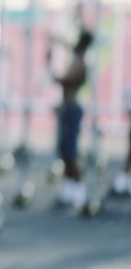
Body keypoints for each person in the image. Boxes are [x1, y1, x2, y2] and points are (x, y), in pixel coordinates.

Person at [48, 28, 93, 208]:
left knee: (71, 151)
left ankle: (79, 190)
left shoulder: (80, 62)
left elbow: (68, 80)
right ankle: (69, 189)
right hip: (68, 108)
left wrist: (55, 76)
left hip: (72, 109)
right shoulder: (77, 59)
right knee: (65, 151)